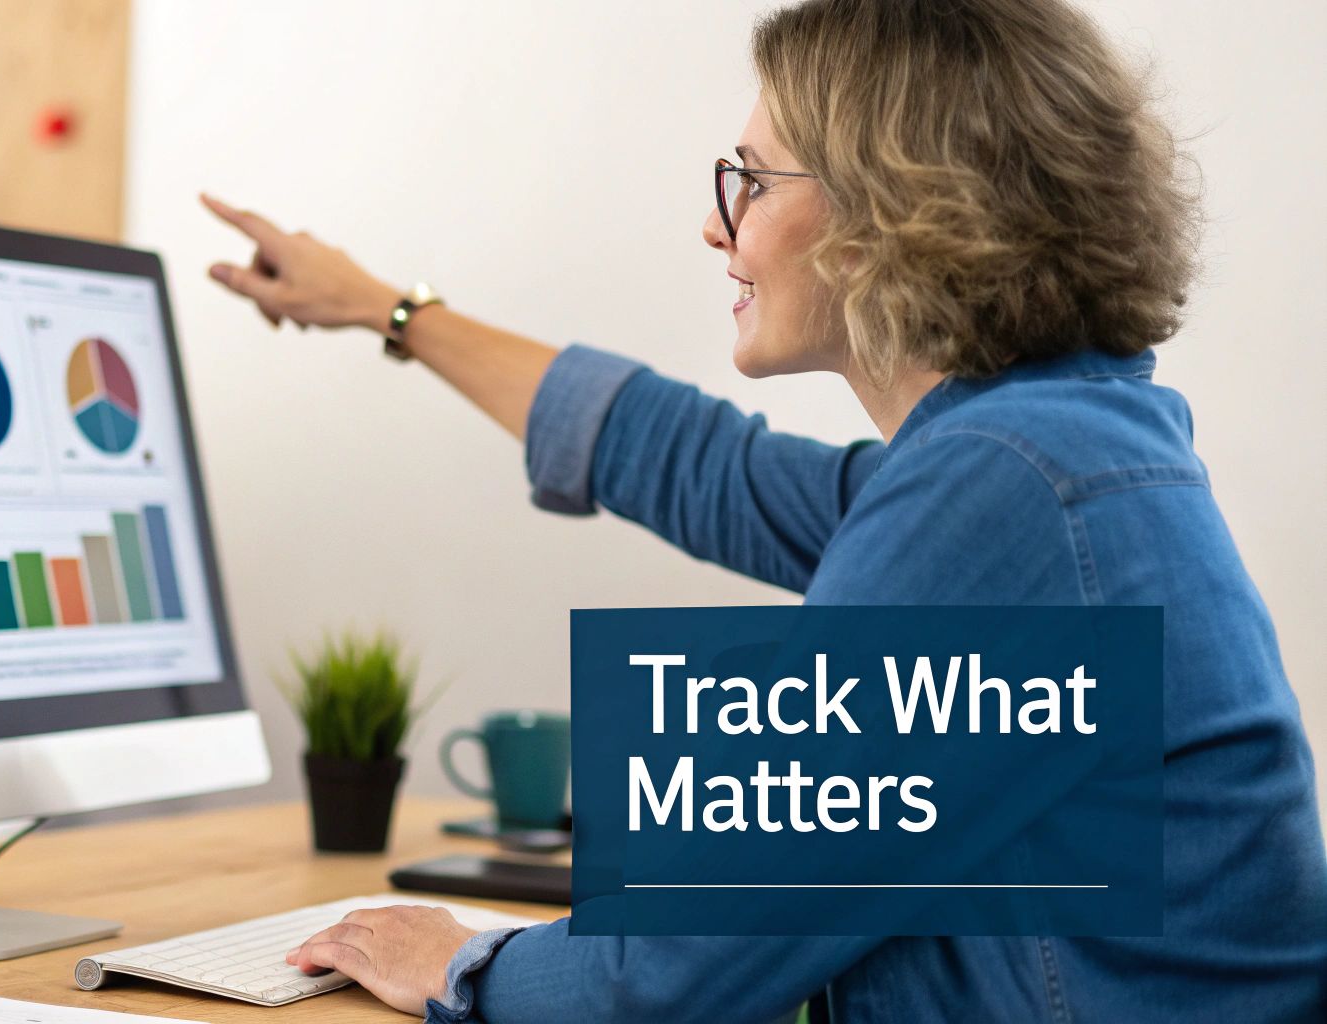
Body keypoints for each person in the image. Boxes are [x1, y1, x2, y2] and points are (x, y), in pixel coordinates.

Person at [202, 0, 1327, 1020]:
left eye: (749, 178)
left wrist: (457, 962)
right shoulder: (1054, 445)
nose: (714, 223)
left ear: (895, 204)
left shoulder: (1006, 482)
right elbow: (692, 461)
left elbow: (682, 965)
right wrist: (385, 308)